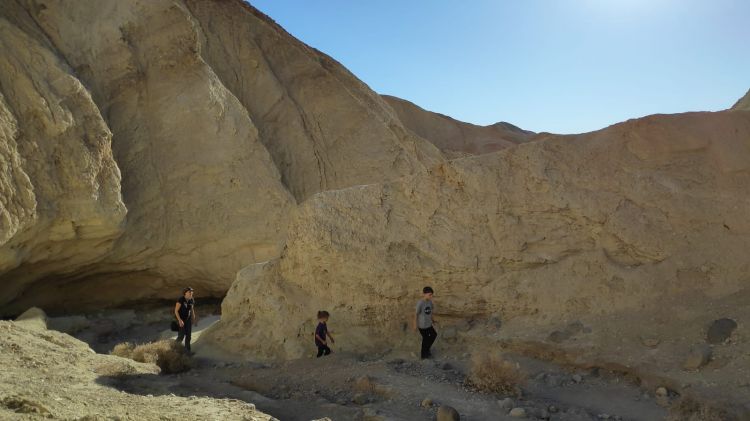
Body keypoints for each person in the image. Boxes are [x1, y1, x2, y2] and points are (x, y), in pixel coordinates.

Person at [414, 286, 437, 359]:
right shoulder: (420, 303)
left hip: (429, 324)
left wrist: (433, 320)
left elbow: (431, 312)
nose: (431, 296)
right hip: (422, 325)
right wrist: (414, 324)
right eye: (430, 294)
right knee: (426, 340)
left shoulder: (430, 302)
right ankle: (423, 356)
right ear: (424, 294)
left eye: (431, 295)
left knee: (434, 335)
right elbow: (415, 314)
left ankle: (427, 350)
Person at [174, 287, 197, 353]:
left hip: (188, 320)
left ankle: (188, 352)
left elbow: (192, 309)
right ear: (185, 293)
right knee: (181, 336)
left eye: (192, 292)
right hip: (180, 319)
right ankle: (174, 348)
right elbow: (176, 311)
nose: (191, 293)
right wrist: (180, 320)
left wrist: (194, 318)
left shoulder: (191, 299)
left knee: (188, 336)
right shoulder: (181, 299)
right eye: (189, 292)